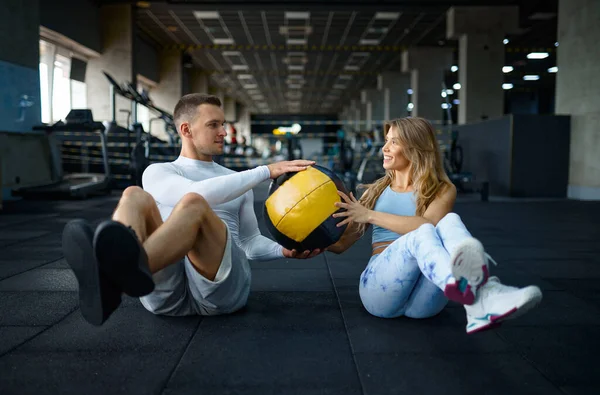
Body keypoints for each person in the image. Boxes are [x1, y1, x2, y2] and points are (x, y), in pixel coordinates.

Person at [62, 94, 321, 326]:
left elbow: (250, 243)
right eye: (213, 125)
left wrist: (282, 251)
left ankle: (110, 279)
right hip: (163, 293)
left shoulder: (238, 181)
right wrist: (265, 170)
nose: (223, 132)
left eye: (222, 124)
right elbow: (198, 194)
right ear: (186, 129)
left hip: (221, 291)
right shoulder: (159, 172)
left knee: (193, 204)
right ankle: (120, 273)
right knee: (134, 195)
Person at [327, 117, 542, 334]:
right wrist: (306, 242)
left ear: (415, 148)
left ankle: (478, 295)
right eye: (386, 140)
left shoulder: (442, 190)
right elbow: (341, 244)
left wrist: (370, 215)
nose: (385, 148)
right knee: (423, 233)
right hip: (380, 291)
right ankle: (480, 295)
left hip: (423, 300)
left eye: (394, 142)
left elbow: (426, 225)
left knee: (449, 221)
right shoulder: (375, 192)